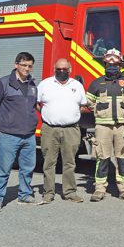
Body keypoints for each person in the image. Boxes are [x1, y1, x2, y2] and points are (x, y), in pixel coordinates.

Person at [0, 51, 40, 211]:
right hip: (9, 135)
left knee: (28, 168)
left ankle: (24, 195)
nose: (27, 68)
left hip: (29, 136)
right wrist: (5, 121)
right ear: (16, 65)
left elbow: (33, 107)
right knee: (4, 169)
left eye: (30, 66)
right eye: (23, 65)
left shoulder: (32, 85)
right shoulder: (3, 83)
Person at [86, 49, 124, 202]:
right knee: (102, 158)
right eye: (109, 63)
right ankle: (99, 189)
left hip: (122, 126)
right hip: (103, 127)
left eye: (115, 64)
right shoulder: (96, 83)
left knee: (123, 159)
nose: (112, 66)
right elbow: (89, 103)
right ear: (105, 64)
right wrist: (100, 112)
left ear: (120, 65)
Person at [37, 58, 88, 204]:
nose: (61, 72)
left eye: (64, 69)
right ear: (54, 69)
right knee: (48, 162)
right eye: (58, 69)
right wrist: (48, 115)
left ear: (70, 70)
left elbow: (83, 106)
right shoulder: (45, 84)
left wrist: (70, 115)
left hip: (71, 129)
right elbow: (36, 103)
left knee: (69, 162)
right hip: (49, 129)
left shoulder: (77, 85)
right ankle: (48, 192)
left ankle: (70, 192)